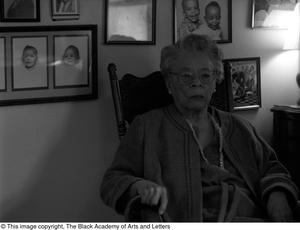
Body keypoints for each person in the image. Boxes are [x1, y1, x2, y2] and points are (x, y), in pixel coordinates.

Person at [100, 34, 298, 222]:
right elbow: (112, 181)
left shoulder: (239, 126)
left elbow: (271, 167)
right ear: (169, 84)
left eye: (205, 76)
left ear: (215, 82)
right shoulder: (147, 127)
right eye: (186, 76)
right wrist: (139, 186)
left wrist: (277, 193)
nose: (196, 83)